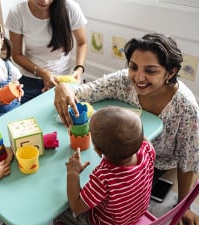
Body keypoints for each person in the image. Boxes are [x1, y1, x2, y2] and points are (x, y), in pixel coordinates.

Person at [54, 33, 199, 224]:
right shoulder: (123, 81)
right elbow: (84, 92)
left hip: (155, 164)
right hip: (133, 158)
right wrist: (64, 88)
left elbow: (188, 161)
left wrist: (184, 205)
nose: (138, 77)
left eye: (151, 71)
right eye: (133, 67)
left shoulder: (186, 108)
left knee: (64, 202)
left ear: (170, 73)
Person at [54, 106, 156, 225]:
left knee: (61, 212)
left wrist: (73, 172)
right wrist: (132, 131)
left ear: (97, 150)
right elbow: (143, 141)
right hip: (134, 215)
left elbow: (76, 207)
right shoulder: (147, 151)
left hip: (106, 222)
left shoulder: (104, 177)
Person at [5, 0, 88, 104]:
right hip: (31, 77)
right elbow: (16, 55)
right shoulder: (17, 12)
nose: (44, 1)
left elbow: (82, 43)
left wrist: (79, 68)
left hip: (63, 78)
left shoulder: (70, 8)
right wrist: (42, 72)